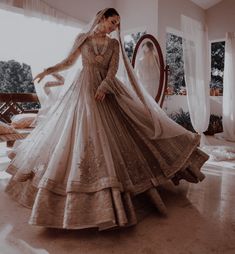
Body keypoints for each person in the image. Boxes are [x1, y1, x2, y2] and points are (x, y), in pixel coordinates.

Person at [5, 8, 209, 231]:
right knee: (78, 132)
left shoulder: (113, 45)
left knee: (128, 130)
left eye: (117, 24)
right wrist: (47, 70)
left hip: (105, 91)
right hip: (82, 90)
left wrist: (104, 86)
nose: (114, 27)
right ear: (101, 19)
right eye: (112, 21)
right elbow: (69, 61)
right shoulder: (82, 39)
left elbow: (113, 70)